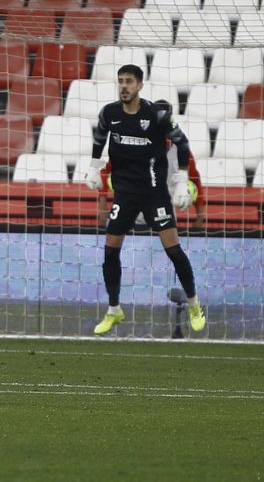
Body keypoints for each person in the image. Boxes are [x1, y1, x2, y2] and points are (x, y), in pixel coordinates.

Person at [84, 65, 206, 336]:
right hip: (125, 195)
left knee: (173, 250)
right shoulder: (110, 113)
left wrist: (182, 181)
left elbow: (182, 144)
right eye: (120, 82)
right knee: (110, 251)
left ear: (140, 85)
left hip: (154, 194)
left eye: (129, 82)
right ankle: (114, 310)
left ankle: (195, 303)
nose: (124, 86)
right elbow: (100, 137)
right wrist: (94, 167)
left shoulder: (156, 114)